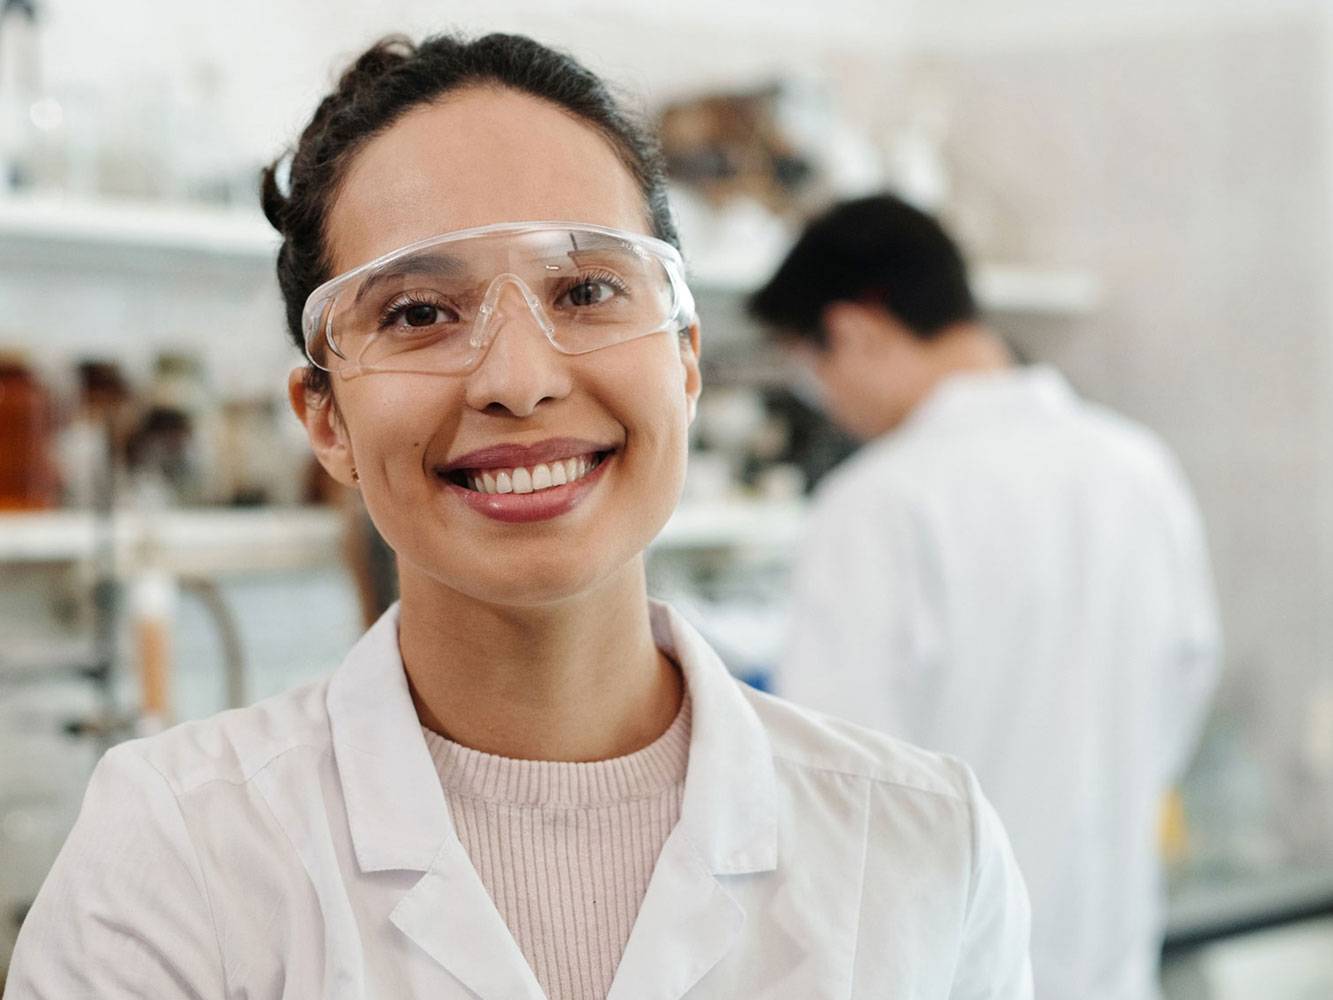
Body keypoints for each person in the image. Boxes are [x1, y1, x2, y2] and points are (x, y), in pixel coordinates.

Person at [6, 38, 1032, 999]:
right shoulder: (173, 851)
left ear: (683, 363)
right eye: (416, 313)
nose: (518, 377)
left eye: (586, 288)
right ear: (325, 417)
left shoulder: (922, 844)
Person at [749, 194, 1222, 1000]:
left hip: (944, 967)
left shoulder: (874, 505)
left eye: (812, 365)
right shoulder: (1137, 469)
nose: (824, 398)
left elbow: (830, 795)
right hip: (1110, 957)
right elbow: (1182, 691)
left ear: (856, 329)